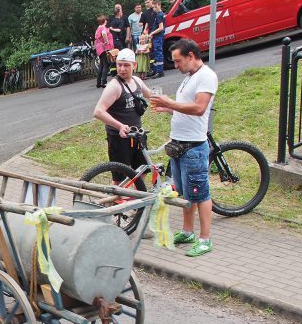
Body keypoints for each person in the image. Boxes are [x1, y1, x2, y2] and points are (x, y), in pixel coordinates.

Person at [150, 38, 218, 257]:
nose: (176, 65)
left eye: (178, 61)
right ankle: (188, 231)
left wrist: (169, 103)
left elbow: (199, 108)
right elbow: (185, 108)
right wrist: (168, 109)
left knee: (200, 194)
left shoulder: (206, 76)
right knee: (185, 193)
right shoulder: (189, 77)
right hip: (178, 144)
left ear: (191, 56)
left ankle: (205, 239)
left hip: (193, 147)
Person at [93, 48, 151, 184]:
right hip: (119, 138)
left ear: (134, 65)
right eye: (119, 65)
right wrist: (119, 126)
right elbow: (98, 111)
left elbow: (152, 95)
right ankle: (115, 201)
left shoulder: (137, 81)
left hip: (136, 135)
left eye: (126, 65)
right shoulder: (114, 86)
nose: (122, 69)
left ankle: (136, 202)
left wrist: (170, 104)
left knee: (142, 170)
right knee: (119, 178)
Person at [139, 0, 157, 76]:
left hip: (157, 33)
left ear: (152, 1)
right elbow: (142, 23)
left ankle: (158, 69)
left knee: (157, 51)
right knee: (150, 52)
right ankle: (152, 69)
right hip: (149, 35)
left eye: (148, 2)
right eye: (145, 3)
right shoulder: (145, 13)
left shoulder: (156, 10)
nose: (147, 4)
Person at [95, 14, 114, 88]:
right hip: (103, 47)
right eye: (106, 19)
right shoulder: (103, 27)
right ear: (104, 21)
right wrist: (107, 42)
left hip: (99, 48)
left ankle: (98, 82)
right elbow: (104, 34)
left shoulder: (98, 27)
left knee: (101, 65)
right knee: (106, 65)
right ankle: (104, 82)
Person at [148, 0, 166, 78]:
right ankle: (156, 70)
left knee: (158, 54)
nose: (154, 9)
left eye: (155, 7)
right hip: (157, 37)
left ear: (159, 5)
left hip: (158, 37)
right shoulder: (160, 14)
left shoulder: (159, 15)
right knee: (156, 54)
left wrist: (152, 33)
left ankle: (160, 71)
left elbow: (161, 27)